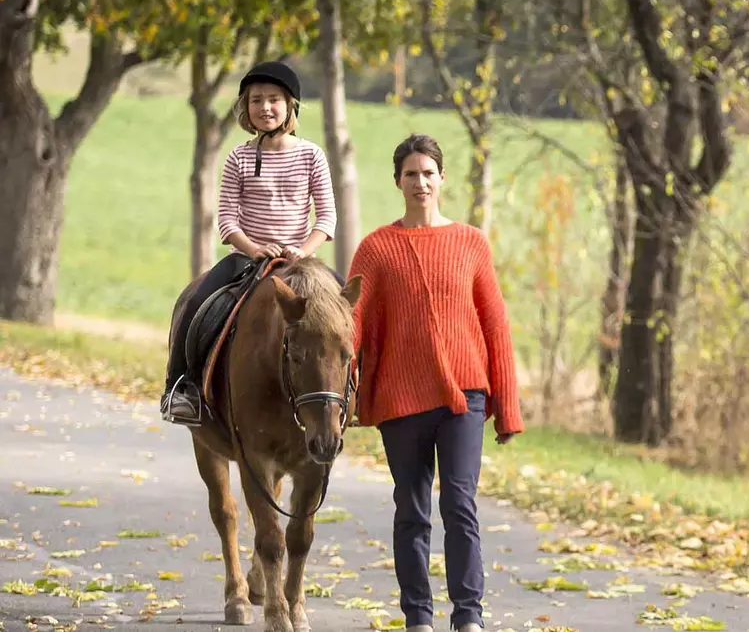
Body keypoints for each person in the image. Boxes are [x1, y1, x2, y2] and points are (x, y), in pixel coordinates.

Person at [347, 134, 523, 632]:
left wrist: (507, 408)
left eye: (428, 173)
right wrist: (338, 397)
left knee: (460, 504)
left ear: (442, 179)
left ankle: (469, 617)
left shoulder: (470, 242)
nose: (420, 182)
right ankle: (418, 618)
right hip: (402, 399)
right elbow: (350, 326)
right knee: (412, 509)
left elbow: (495, 325)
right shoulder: (376, 249)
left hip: (464, 398)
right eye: (410, 174)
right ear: (397, 181)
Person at [161, 60, 336, 426]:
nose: (265, 107)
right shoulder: (238, 157)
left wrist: (303, 249)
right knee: (196, 303)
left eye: (274, 99)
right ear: (246, 107)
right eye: (256, 100)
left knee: (344, 312)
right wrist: (254, 247)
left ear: (290, 106)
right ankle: (182, 388)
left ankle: (352, 390)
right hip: (247, 259)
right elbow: (226, 220)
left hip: (298, 260)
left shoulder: (311, 155)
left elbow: (327, 218)